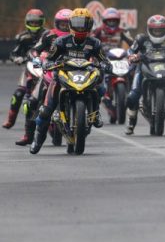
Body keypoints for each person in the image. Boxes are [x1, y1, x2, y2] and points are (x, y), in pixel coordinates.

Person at [30, 8, 111, 154]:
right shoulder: (61, 41)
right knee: (45, 111)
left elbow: (103, 59)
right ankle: (37, 140)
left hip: (85, 74)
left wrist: (106, 64)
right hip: (63, 74)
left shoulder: (95, 43)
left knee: (100, 85)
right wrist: (47, 63)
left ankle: (95, 112)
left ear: (89, 25)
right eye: (77, 23)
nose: (80, 28)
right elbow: (50, 58)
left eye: (83, 24)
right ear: (71, 24)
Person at [15, 9, 71, 146]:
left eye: (67, 24)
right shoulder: (49, 34)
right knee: (32, 102)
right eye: (62, 24)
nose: (65, 27)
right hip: (50, 72)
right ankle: (28, 135)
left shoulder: (78, 36)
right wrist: (36, 60)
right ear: (57, 23)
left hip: (71, 73)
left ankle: (83, 121)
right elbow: (35, 50)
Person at [124, 15, 165, 135]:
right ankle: (131, 120)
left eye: (160, 30)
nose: (157, 33)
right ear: (149, 29)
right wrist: (133, 56)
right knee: (133, 96)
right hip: (144, 67)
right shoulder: (141, 39)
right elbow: (131, 50)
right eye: (155, 30)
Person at [4, 9, 46, 130]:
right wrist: (17, 59)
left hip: (45, 67)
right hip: (29, 67)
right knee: (18, 94)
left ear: (42, 22)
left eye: (36, 22)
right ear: (27, 22)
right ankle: (10, 119)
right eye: (32, 22)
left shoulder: (47, 35)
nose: (34, 25)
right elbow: (13, 54)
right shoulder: (22, 37)